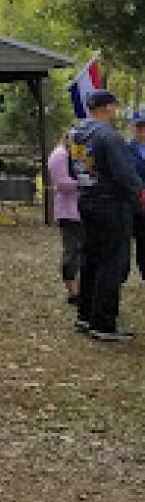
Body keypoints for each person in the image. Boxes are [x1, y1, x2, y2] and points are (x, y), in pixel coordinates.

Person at [69, 90, 144, 341]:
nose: (116, 110)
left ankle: (85, 314)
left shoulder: (76, 133)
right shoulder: (108, 136)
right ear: (106, 107)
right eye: (114, 105)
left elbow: (73, 169)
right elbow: (125, 174)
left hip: (87, 199)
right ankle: (103, 322)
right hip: (112, 205)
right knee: (112, 263)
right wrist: (139, 193)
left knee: (90, 258)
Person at [47, 132, 83, 303]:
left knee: (83, 252)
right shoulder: (60, 155)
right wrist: (86, 182)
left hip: (81, 212)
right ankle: (72, 292)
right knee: (72, 252)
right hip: (69, 213)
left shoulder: (76, 153)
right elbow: (62, 184)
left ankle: (82, 289)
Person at [129, 109, 145, 281]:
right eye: (139, 126)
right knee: (142, 242)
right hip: (137, 206)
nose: (142, 130)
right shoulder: (126, 150)